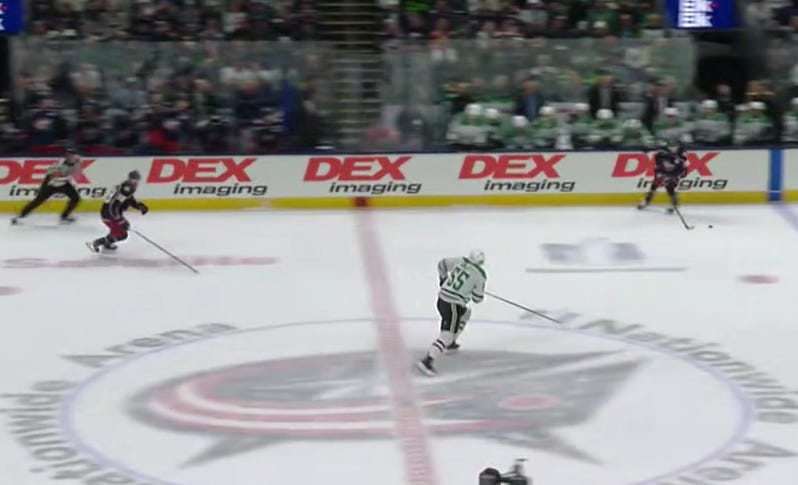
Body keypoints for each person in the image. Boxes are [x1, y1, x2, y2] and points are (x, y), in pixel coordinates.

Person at [417, 250, 487, 377]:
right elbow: (477, 299)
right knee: (446, 335)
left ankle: (451, 343)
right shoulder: (480, 275)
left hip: (442, 299)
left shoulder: (460, 261)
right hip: (453, 305)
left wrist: (443, 279)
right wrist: (476, 291)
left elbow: (442, 264)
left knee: (466, 313)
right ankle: (427, 361)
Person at [11, 148, 82, 225]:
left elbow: (77, 176)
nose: (71, 157)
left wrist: (77, 164)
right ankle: (19, 216)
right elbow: (51, 175)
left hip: (64, 183)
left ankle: (64, 217)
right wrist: (43, 187)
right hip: (51, 184)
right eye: (69, 155)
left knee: (76, 198)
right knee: (37, 201)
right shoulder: (60, 163)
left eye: (73, 155)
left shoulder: (75, 163)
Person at [87, 170, 149, 252]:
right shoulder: (126, 188)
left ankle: (106, 242)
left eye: (137, 181)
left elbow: (129, 199)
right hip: (109, 214)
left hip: (110, 213)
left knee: (120, 231)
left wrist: (139, 207)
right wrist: (120, 220)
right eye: (134, 180)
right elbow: (113, 205)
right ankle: (99, 242)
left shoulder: (126, 187)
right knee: (122, 234)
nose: (136, 183)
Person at [637, 143, 688, 213]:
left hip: (673, 175)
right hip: (662, 172)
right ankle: (647, 200)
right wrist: (660, 173)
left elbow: (683, 174)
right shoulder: (661, 155)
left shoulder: (682, 161)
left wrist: (672, 176)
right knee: (654, 186)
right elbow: (658, 165)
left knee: (670, 187)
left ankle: (674, 203)